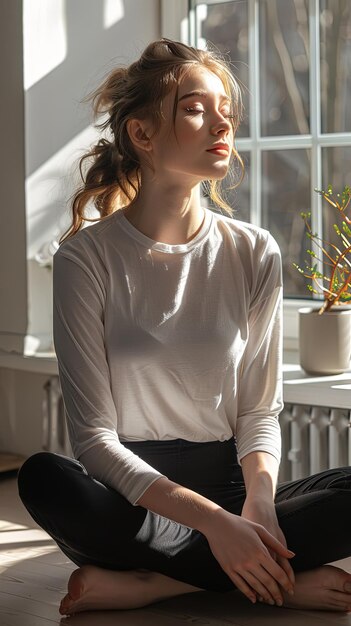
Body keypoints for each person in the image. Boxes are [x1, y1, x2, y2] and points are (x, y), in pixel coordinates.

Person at [18, 38, 351, 616]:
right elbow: (94, 442)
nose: (222, 123)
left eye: (226, 109)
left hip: (231, 490)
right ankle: (269, 578)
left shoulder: (254, 251)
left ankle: (157, 583)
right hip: (134, 501)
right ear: (142, 135)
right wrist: (216, 527)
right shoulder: (85, 259)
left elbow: (258, 413)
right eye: (197, 109)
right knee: (46, 479)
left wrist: (258, 510)